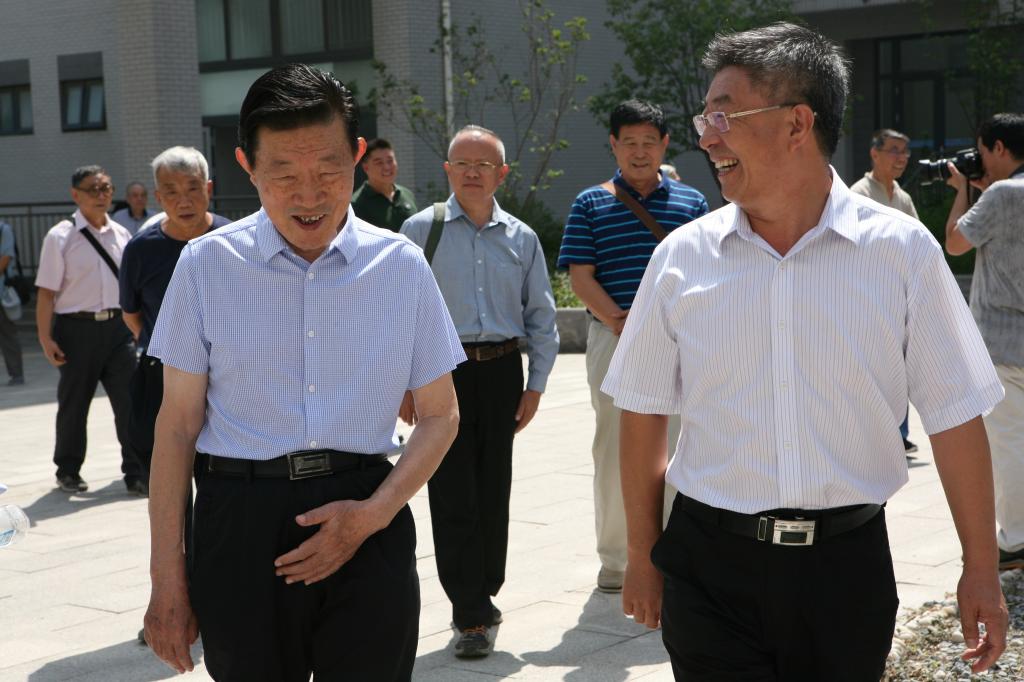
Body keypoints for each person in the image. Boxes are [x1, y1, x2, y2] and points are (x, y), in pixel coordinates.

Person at [602, 23, 1008, 680]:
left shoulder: (901, 253)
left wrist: (980, 569)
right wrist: (644, 554)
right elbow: (643, 411)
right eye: (706, 118)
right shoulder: (681, 258)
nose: (707, 136)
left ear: (797, 123)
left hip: (845, 572)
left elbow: (956, 415)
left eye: (723, 115)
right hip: (709, 568)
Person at [142, 64, 464, 682]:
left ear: (358, 156)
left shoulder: (401, 267)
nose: (309, 196)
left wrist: (373, 514)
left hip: (368, 509)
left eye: (329, 171)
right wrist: (167, 580)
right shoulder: (206, 266)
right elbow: (177, 427)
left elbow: (441, 414)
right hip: (240, 521)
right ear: (247, 166)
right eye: (284, 174)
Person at [399, 125, 559, 658]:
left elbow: (541, 317)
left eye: (484, 164)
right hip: (442, 374)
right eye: (462, 163)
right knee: (452, 495)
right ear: (447, 171)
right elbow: (398, 314)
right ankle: (469, 612)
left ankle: (485, 590)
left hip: (501, 372)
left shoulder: (522, 238)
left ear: (501, 174)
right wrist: (403, 386)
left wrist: (535, 386)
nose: (472, 172)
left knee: (493, 489)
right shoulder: (419, 231)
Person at [556, 99, 708, 593]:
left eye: (649, 142)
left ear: (665, 145)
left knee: (681, 443)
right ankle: (618, 559)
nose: (639, 152)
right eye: (629, 143)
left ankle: (675, 550)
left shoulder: (692, 203)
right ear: (613, 145)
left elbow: (706, 271)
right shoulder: (590, 203)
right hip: (615, 338)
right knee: (614, 447)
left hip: (681, 341)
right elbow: (581, 277)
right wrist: (624, 321)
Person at [944, 112, 1024, 573]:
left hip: (1003, 342)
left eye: (983, 151)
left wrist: (963, 192)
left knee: (1009, 443)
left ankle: (1015, 539)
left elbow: (955, 242)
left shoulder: (1002, 194)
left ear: (998, 147)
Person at [34, 167, 143, 495]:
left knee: (129, 403)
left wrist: (136, 329)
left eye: (106, 188)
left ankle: (136, 472)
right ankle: (68, 470)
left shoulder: (122, 234)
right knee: (75, 403)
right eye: (93, 189)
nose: (101, 195)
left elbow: (132, 289)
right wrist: (45, 338)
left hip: (118, 330)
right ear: (75, 194)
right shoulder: (60, 237)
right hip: (75, 330)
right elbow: (46, 293)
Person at [850, 128, 920, 454]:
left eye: (904, 151)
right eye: (894, 150)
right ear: (874, 153)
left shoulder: (902, 198)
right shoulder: (859, 193)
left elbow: (917, 240)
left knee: (898, 370)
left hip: (898, 295)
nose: (901, 158)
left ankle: (899, 434)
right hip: (867, 296)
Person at [351, 138, 418, 231]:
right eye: (379, 163)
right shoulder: (356, 204)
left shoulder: (407, 194)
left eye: (390, 161)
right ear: (366, 167)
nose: (386, 167)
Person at [0, 219, 24, 385]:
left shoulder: (3, 230)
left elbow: (6, 258)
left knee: (7, 333)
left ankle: (16, 374)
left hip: (2, 292)